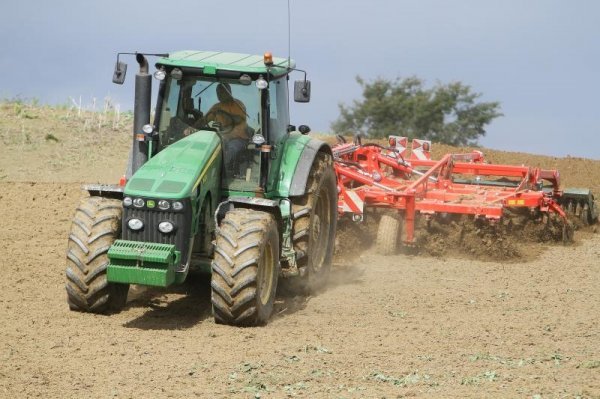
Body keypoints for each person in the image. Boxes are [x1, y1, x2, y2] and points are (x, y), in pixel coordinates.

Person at [205, 83, 249, 169]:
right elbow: (205, 119)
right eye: (218, 92)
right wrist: (192, 127)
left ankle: (221, 170)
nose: (219, 94)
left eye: (222, 92)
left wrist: (224, 114)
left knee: (231, 149)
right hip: (221, 138)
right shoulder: (217, 107)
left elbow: (239, 119)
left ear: (229, 92)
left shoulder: (238, 104)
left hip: (238, 138)